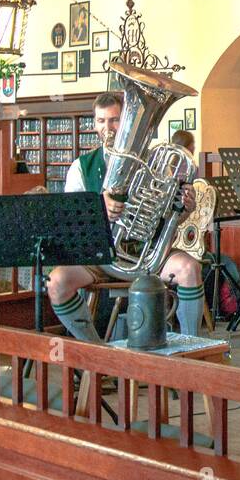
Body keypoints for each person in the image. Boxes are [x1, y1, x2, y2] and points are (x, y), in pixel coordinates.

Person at [48, 92, 203, 341]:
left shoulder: (156, 162)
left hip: (148, 255)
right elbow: (70, 219)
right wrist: (99, 208)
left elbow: (169, 217)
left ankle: (192, 349)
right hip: (99, 256)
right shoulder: (81, 166)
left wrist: (183, 208)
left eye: (115, 120)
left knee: (189, 269)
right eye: (101, 121)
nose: (107, 127)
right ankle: (96, 351)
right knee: (57, 282)